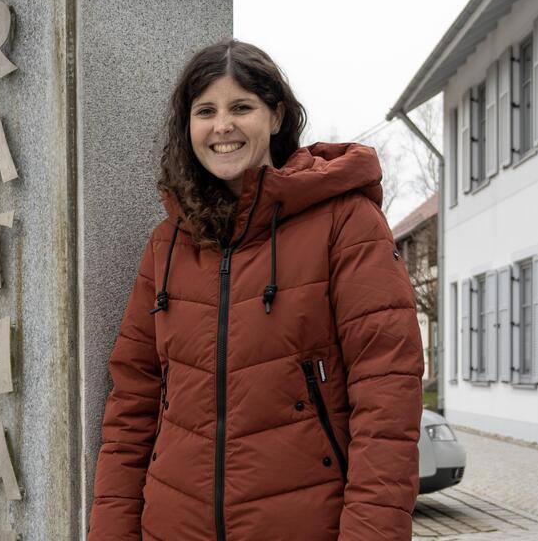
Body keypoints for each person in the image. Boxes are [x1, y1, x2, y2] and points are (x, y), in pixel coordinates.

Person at [88, 40, 424, 540]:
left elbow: (388, 396)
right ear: (189, 127)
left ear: (276, 115)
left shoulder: (345, 222)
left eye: (241, 107)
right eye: (206, 111)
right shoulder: (169, 243)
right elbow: (132, 404)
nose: (222, 126)